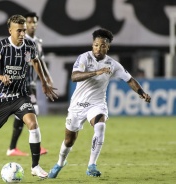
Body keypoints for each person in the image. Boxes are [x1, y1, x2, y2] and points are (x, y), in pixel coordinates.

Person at [48, 28, 151, 178]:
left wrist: (142, 93)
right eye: (96, 45)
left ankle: (91, 165)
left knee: (100, 126)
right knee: (69, 141)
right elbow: (74, 77)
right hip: (77, 105)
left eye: (102, 45)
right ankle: (60, 162)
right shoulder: (84, 58)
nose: (98, 48)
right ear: (92, 45)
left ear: (107, 47)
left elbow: (129, 79)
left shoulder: (112, 64)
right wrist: (95, 72)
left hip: (96, 104)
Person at [0, 14, 58, 182]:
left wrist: (44, 83)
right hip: (0, 97)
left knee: (33, 123)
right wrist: (1, 77)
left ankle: (35, 166)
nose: (22, 34)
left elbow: (36, 62)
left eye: (24, 30)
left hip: (20, 96)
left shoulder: (30, 45)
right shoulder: (2, 46)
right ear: (10, 30)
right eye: (19, 31)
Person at [6, 12, 51, 156]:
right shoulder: (20, 41)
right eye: (29, 22)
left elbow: (41, 61)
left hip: (32, 83)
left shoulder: (38, 42)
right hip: (21, 82)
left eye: (34, 22)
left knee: (24, 113)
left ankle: (12, 148)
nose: (32, 25)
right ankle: (32, 146)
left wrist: (47, 78)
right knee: (32, 110)